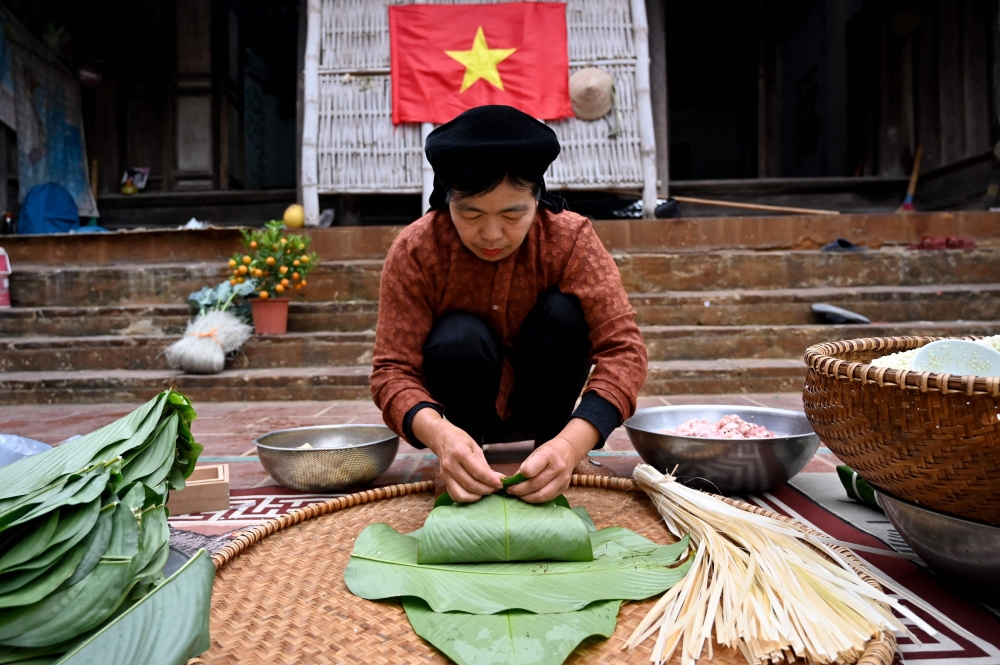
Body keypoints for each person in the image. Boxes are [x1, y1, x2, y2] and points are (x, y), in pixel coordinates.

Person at [370, 105, 647, 504]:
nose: (492, 233)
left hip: (552, 413)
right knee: (458, 336)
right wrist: (439, 435)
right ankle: (465, 456)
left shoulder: (570, 239)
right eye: (471, 213)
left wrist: (573, 444)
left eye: (513, 213)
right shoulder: (418, 249)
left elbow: (625, 350)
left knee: (564, 314)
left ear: (538, 199)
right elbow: (391, 370)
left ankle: (551, 450)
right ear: (446, 202)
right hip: (459, 417)